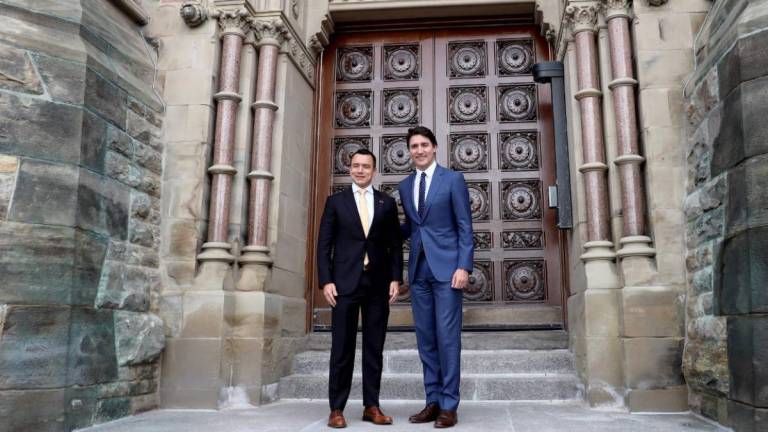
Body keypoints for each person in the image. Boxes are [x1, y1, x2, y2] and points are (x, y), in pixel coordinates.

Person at [317, 148, 403, 428]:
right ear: (349, 169)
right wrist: (326, 280)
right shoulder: (335, 202)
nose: (360, 170)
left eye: (366, 166)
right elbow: (323, 246)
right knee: (341, 347)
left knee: (374, 347)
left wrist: (395, 278)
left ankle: (372, 406)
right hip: (343, 284)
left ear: (374, 170)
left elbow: (394, 245)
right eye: (356, 166)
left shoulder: (386, 203)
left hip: (377, 284)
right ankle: (336, 409)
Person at [398, 126, 473, 428]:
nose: (419, 150)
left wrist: (464, 266)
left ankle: (449, 405)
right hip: (418, 271)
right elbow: (413, 228)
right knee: (426, 339)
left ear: (435, 148)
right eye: (414, 146)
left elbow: (464, 226)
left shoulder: (452, 179)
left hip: (447, 270)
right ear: (410, 151)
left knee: (447, 337)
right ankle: (432, 401)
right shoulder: (404, 186)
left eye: (424, 145)